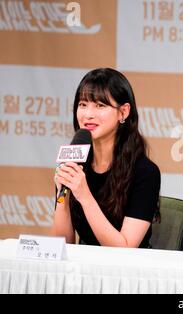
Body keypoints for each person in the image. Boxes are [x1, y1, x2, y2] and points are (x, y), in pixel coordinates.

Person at [52, 68, 161, 248]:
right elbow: (63, 245)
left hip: (125, 272)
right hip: (81, 270)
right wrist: (61, 198)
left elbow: (124, 249)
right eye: (83, 104)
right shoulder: (74, 164)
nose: (88, 115)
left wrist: (84, 196)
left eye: (100, 105)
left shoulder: (145, 172)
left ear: (123, 112)